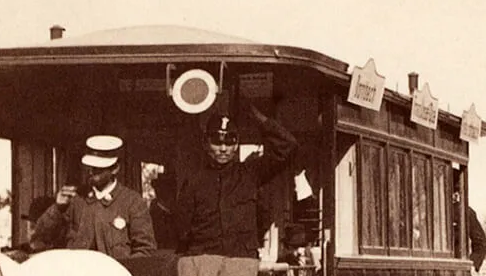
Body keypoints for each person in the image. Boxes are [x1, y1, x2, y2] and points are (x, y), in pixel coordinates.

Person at [176, 102, 298, 259]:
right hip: (204, 262)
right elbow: (183, 230)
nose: (223, 148)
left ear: (237, 144)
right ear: (206, 144)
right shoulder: (194, 182)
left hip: (241, 263)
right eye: (217, 142)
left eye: (229, 141)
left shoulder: (250, 174)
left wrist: (260, 120)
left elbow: (289, 146)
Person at [32, 135, 156, 259]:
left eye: (98, 169)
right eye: (90, 167)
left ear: (115, 168)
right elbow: (39, 240)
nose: (91, 172)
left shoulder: (132, 202)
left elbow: (145, 251)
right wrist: (57, 209)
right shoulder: (75, 199)